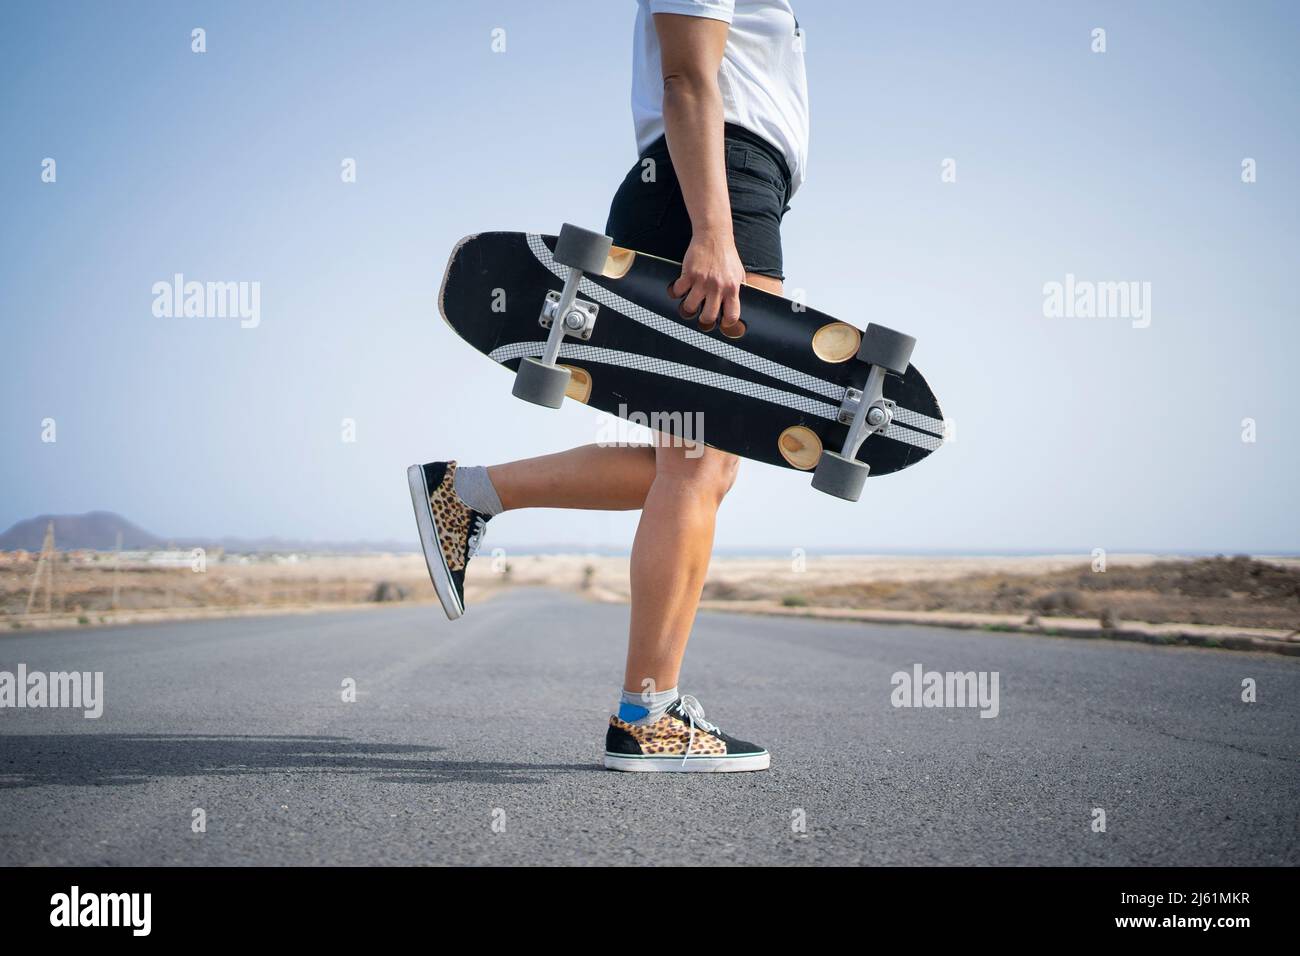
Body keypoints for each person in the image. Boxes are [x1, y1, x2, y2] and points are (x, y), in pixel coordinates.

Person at [409, 0, 807, 772]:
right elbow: (688, 77)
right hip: (716, 177)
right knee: (702, 460)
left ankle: (467, 493)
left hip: (727, 182)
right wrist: (715, 231)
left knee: (694, 458)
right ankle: (647, 715)